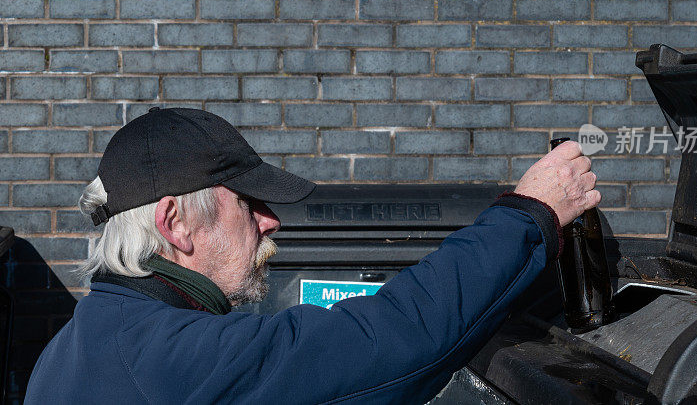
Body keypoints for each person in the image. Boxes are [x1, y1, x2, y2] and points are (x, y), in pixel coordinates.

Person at [25, 107, 599, 404]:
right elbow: (398, 339)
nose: (269, 220)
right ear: (175, 223)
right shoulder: (178, 362)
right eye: (247, 203)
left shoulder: (75, 343)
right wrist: (530, 215)